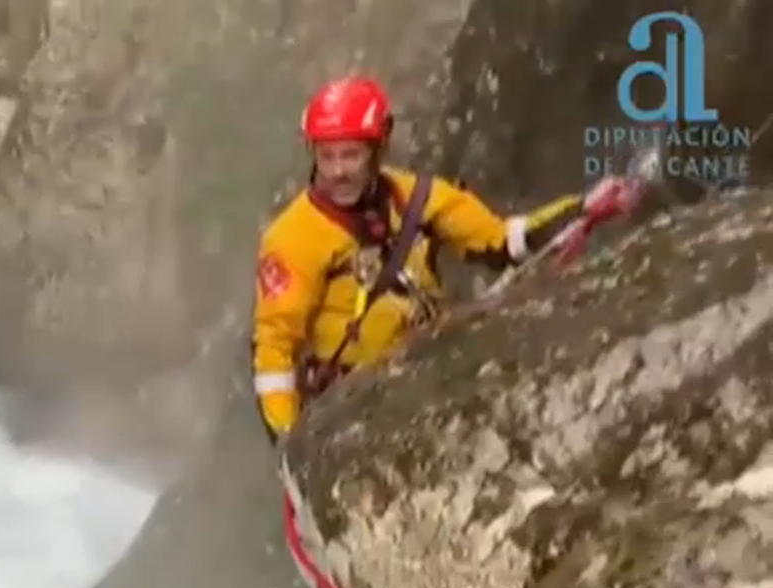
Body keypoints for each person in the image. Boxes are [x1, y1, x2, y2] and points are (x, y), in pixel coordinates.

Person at [250, 75, 642, 441]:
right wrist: (291, 444)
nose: (337, 171)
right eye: (326, 156)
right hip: (347, 413)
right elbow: (274, 349)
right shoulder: (292, 237)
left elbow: (503, 243)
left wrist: (583, 208)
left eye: (351, 155)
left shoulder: (418, 199)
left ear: (379, 148)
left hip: (425, 384)